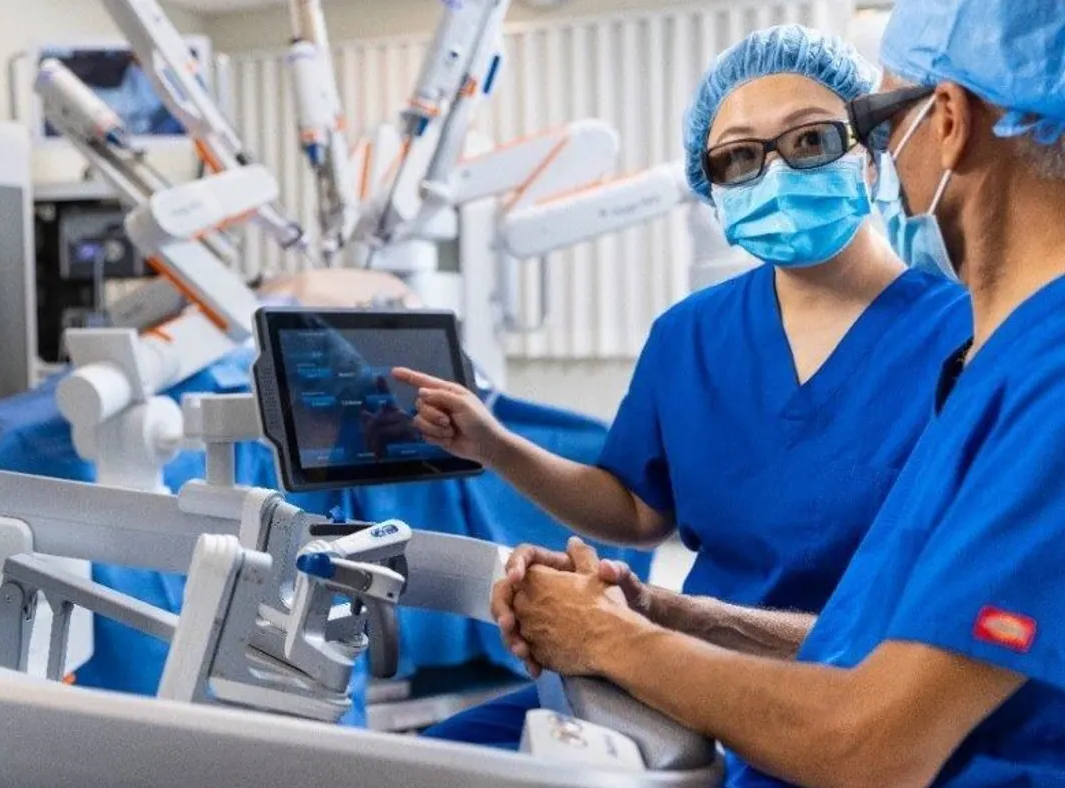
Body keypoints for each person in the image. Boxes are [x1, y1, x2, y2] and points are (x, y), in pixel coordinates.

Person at [498, 1, 1065, 785]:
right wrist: (667, 614)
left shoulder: (1044, 382)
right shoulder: (999, 365)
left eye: (877, 123)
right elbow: (878, 643)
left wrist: (606, 640)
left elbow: (873, 743)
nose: (884, 159)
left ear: (948, 119)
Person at [404, 24, 970, 749]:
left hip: (834, 696)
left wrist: (641, 621)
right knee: (433, 760)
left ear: (871, 153)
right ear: (711, 187)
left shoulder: (965, 334)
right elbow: (640, 510)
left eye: (809, 142)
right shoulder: (689, 335)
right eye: (737, 157)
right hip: (668, 668)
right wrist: (493, 444)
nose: (774, 175)